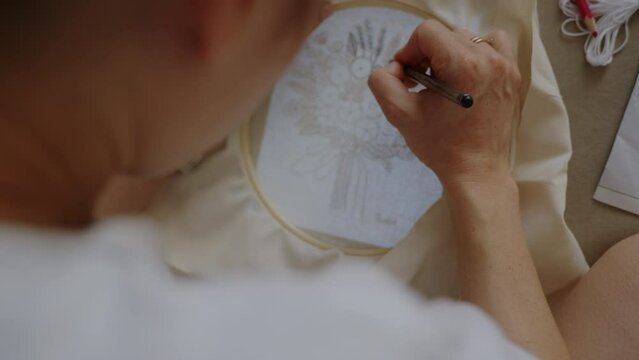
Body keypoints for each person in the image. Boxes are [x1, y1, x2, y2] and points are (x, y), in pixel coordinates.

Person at [0, 1, 636, 359]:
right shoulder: (327, 332)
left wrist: (173, 107)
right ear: (219, 18)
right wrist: (480, 173)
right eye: (302, 15)